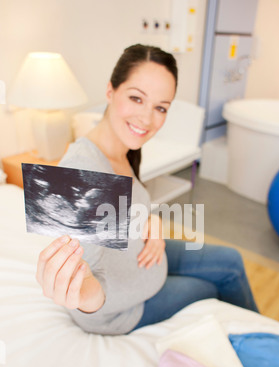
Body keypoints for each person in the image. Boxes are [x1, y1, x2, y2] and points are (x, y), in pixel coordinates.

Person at [36, 44, 259, 336]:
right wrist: (81, 294)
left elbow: (123, 212)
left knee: (232, 261)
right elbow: (86, 284)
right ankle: (262, 343)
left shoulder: (123, 149)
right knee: (211, 288)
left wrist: (149, 220)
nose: (147, 119)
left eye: (160, 107)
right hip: (120, 311)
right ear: (110, 91)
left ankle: (265, 341)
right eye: (136, 98)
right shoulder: (82, 171)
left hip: (143, 258)